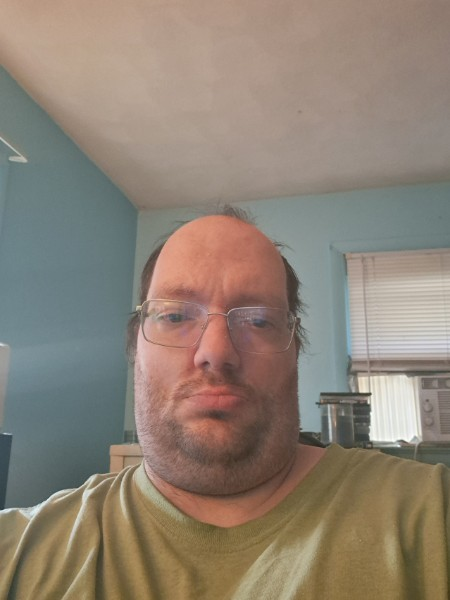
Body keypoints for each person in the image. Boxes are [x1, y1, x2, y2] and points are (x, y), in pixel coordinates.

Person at [0, 206, 449, 599]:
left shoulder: (432, 515)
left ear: (294, 350)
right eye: (175, 315)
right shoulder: (17, 554)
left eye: (259, 320)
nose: (216, 351)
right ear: (136, 347)